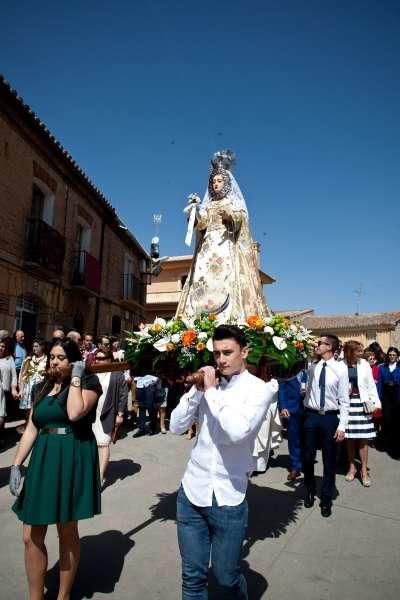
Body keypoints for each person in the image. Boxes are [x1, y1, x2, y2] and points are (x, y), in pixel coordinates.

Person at [170, 324, 275, 599]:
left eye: (227, 352)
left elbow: (236, 432)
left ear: (245, 352)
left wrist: (212, 393)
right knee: (192, 577)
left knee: (226, 577)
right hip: (191, 493)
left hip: (229, 498)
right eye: (216, 353)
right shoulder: (208, 387)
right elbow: (176, 426)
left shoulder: (259, 390)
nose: (221, 359)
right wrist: (196, 392)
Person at [9, 338, 102, 599]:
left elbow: (74, 413)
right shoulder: (42, 386)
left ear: (72, 360)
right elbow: (31, 428)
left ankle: (63, 596)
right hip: (44, 457)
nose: (54, 361)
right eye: (52, 356)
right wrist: (16, 464)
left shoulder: (88, 383)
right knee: (30, 534)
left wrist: (76, 376)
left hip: (72, 456)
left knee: (66, 529)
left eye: (61, 357)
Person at [176, 150, 271, 322]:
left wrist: (230, 215)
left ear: (227, 182)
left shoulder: (233, 202)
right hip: (206, 248)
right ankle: (198, 317)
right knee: (203, 280)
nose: (216, 184)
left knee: (226, 279)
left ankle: (228, 317)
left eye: (219, 181)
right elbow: (202, 223)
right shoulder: (208, 205)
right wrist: (194, 213)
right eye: (213, 181)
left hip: (226, 246)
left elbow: (241, 220)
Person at [302, 334, 350, 517]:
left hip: (330, 418)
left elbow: (344, 400)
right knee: (308, 456)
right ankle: (309, 489)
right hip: (311, 416)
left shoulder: (340, 369)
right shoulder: (312, 366)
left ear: (330, 347)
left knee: (329, 460)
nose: (317, 345)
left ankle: (327, 498)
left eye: (320, 343)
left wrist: (342, 426)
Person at [343, 341, 380, 486]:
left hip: (363, 403)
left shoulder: (364, 364)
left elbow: (371, 384)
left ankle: (364, 470)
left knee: (363, 439)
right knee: (350, 438)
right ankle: (352, 467)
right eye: (358, 351)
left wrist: (376, 403)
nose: (361, 353)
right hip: (347, 404)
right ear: (350, 352)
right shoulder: (341, 364)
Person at [91, 349, 127, 483]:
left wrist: (120, 414)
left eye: (102, 358)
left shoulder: (117, 374)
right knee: (92, 444)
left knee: (103, 444)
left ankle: (100, 477)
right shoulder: (92, 372)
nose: (99, 360)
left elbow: (123, 395)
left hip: (108, 413)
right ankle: (91, 471)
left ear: (109, 359)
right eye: (97, 358)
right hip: (91, 414)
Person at [278, 369, 307, 481]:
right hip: (291, 409)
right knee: (293, 438)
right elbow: (281, 390)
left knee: (307, 438)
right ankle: (296, 467)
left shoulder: (307, 370)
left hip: (307, 408)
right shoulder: (284, 370)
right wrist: (283, 407)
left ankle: (306, 462)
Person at [18, 338, 48, 434]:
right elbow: (23, 375)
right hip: (28, 387)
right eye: (33, 346)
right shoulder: (28, 359)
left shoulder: (47, 360)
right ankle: (28, 426)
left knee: (38, 408)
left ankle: (38, 427)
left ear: (42, 347)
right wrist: (21, 390)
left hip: (41, 388)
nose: (34, 348)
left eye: (36, 346)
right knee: (28, 409)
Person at [377, 347, 400, 459]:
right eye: (390, 355)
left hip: (397, 394)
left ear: (397, 356)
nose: (392, 356)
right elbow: (380, 384)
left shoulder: (399, 367)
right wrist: (379, 400)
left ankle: (395, 446)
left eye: (394, 355)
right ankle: (387, 443)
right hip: (386, 395)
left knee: (397, 420)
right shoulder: (382, 368)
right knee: (387, 420)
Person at [0, 337, 18, 446]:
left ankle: (1, 436)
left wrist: (13, 388)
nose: (1, 348)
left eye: (3, 346)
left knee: (2, 415)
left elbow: (14, 376)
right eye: (0, 346)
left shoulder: (9, 359)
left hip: (5, 391)